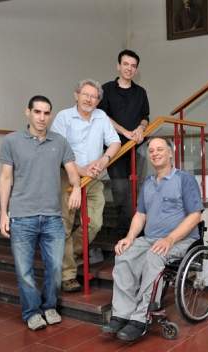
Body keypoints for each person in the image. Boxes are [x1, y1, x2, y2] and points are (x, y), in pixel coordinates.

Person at [102, 137, 204, 342]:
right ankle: (122, 313)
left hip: (180, 241)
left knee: (153, 256)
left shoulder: (184, 179)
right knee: (124, 255)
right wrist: (129, 238)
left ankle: (141, 318)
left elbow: (195, 215)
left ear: (170, 153)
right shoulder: (148, 183)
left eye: (160, 149)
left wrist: (169, 239)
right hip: (149, 238)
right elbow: (140, 215)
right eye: (151, 151)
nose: (155, 153)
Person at [0, 95, 81, 331]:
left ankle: (50, 306)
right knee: (24, 271)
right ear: (28, 113)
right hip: (22, 217)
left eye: (46, 113)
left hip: (53, 217)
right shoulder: (11, 141)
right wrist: (4, 214)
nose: (42, 117)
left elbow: (73, 172)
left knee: (55, 269)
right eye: (37, 112)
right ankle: (32, 311)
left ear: (50, 115)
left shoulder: (60, 141)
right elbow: (5, 178)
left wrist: (76, 187)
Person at [51, 79, 121, 292]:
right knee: (64, 224)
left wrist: (103, 161)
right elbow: (58, 149)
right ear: (76, 95)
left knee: (94, 223)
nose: (90, 99)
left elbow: (115, 142)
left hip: (94, 180)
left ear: (98, 100)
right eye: (86, 95)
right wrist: (81, 170)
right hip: (68, 177)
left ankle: (67, 256)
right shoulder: (64, 117)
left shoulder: (101, 117)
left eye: (94, 96)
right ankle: (68, 275)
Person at [98, 49, 150, 235]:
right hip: (115, 148)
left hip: (138, 147)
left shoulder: (141, 92)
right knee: (120, 188)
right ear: (118, 66)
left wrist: (141, 128)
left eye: (133, 66)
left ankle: (133, 228)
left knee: (137, 187)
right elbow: (103, 116)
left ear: (136, 70)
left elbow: (145, 117)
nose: (129, 68)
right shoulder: (106, 90)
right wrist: (125, 132)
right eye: (126, 64)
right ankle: (123, 229)